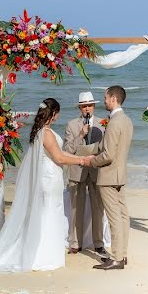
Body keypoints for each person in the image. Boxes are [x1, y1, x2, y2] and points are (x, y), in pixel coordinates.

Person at [0, 98, 88, 272]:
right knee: (49, 212)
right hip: (49, 178)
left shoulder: (40, 131)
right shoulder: (46, 133)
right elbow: (60, 158)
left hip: (49, 176)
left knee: (47, 212)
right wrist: (83, 160)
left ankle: (44, 251)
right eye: (58, 112)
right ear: (54, 113)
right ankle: (44, 255)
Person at [77, 86, 134, 270]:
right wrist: (80, 153)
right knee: (123, 216)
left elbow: (107, 154)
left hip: (108, 176)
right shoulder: (126, 121)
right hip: (120, 175)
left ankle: (116, 258)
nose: (104, 101)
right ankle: (122, 255)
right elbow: (101, 146)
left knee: (114, 218)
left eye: (105, 98)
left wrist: (90, 162)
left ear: (113, 99)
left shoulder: (114, 122)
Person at [63, 91, 107, 256]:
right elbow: (67, 150)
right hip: (77, 170)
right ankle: (75, 243)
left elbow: (105, 148)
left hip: (96, 171)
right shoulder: (71, 125)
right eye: (84, 106)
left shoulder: (103, 123)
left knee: (98, 209)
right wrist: (80, 134)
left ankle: (98, 243)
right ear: (80, 108)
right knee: (76, 209)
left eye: (89, 105)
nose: (87, 108)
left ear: (94, 106)